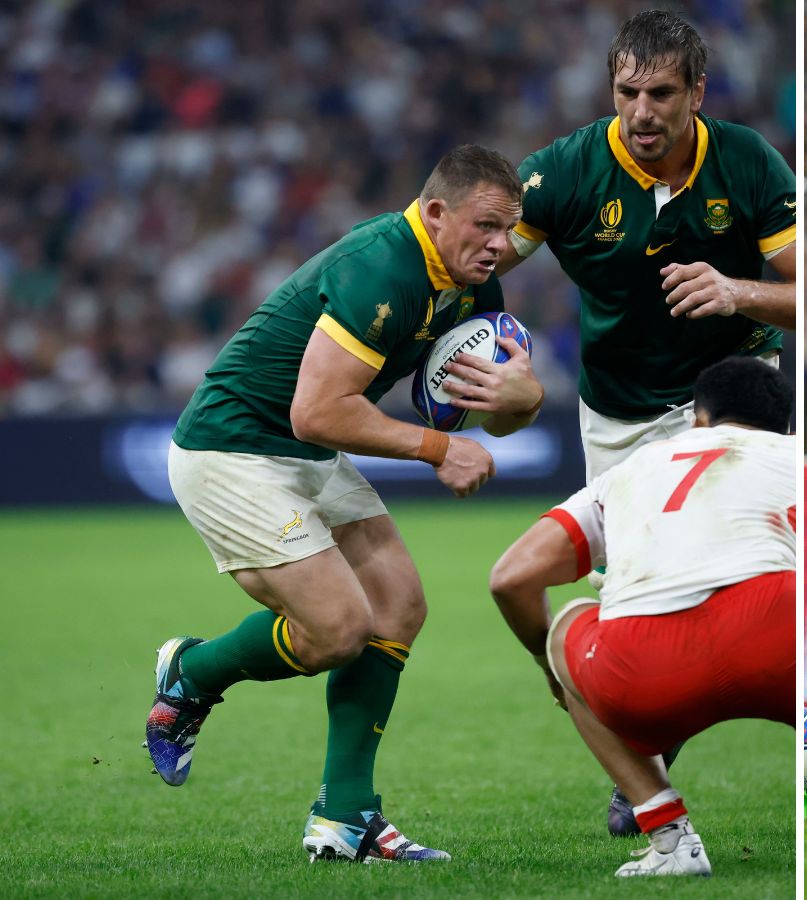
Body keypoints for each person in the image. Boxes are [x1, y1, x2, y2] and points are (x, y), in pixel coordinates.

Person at [146, 145, 544, 861]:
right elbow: (317, 412)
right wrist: (435, 450)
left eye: (507, 230)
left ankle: (344, 818)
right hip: (231, 449)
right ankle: (192, 673)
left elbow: (490, 409)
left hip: (302, 452)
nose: (499, 246)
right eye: (485, 227)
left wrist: (526, 401)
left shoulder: (471, 286)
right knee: (337, 630)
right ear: (434, 212)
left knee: (398, 607)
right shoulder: (381, 268)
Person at [488, 9, 796, 836]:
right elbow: (479, 262)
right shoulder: (564, 174)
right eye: (627, 92)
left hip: (731, 397)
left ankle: (754, 734)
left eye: (662, 93)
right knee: (633, 599)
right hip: (615, 411)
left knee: (739, 570)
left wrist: (739, 292)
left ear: (698, 91)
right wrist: (496, 349)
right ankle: (649, 756)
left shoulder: (748, 163)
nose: (642, 112)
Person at [493, 358, 795, 875]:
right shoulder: (793, 457)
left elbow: (511, 577)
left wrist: (560, 678)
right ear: (784, 427)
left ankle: (670, 839)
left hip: (646, 665)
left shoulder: (636, 467)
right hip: (773, 636)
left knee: (569, 624)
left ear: (698, 419)